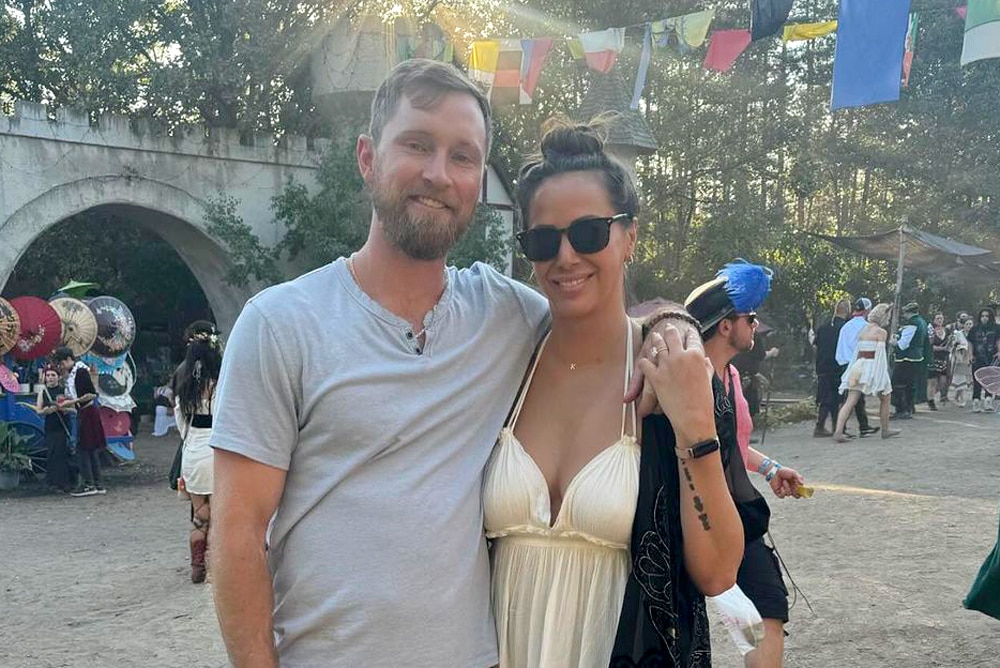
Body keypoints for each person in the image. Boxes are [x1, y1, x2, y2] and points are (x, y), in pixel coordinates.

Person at [209, 60, 688, 667]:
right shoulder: (281, 324)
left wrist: (675, 325)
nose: (438, 174)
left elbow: (600, 309)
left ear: (479, 182)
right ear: (367, 158)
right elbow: (236, 530)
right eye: (416, 145)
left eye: (463, 157)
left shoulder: (504, 315)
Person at [483, 121, 743, 667]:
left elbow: (718, 571)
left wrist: (695, 425)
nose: (566, 257)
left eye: (589, 233)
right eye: (543, 239)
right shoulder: (503, 365)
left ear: (630, 237)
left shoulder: (674, 375)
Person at [685, 261, 805, 668]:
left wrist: (771, 469)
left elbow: (736, 446)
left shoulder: (733, 377)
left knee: (767, 607)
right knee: (680, 626)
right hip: (692, 517)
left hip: (739, 515)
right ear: (725, 325)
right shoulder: (687, 377)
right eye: (750, 318)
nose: (755, 325)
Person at [174, 332, 222, 583]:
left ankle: (196, 566)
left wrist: (190, 438)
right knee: (216, 513)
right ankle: (214, 565)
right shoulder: (217, 387)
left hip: (191, 451)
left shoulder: (184, 390)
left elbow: (181, 423)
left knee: (199, 512)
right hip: (215, 450)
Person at [833, 303, 900, 441]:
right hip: (872, 366)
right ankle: (885, 430)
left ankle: (838, 431)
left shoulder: (863, 331)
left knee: (850, 401)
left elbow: (857, 352)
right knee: (886, 397)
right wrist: (882, 374)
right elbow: (880, 355)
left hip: (859, 366)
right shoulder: (881, 332)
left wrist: (851, 370)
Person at [835, 298, 879, 437]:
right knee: (851, 399)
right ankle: (841, 429)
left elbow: (840, 348)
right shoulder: (866, 327)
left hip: (845, 363)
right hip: (858, 363)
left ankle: (863, 426)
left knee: (856, 398)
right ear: (867, 310)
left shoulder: (846, 326)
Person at [35, 364, 76, 494]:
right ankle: (53, 482)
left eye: (53, 375)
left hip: (62, 426)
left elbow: (74, 408)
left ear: (58, 377)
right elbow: (39, 410)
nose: (50, 378)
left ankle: (64, 482)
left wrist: (62, 409)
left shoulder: (64, 390)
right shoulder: (43, 392)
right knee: (52, 454)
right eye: (48, 375)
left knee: (62, 454)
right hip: (50, 426)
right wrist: (46, 411)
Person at [812, 299, 851, 437]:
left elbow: (816, 345)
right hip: (838, 366)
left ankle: (821, 425)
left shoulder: (824, 327)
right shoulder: (846, 328)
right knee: (838, 398)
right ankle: (837, 426)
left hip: (823, 366)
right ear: (847, 310)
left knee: (825, 398)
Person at [890, 302, 929, 419]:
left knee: (898, 384)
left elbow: (903, 345)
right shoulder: (922, 322)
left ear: (908, 312)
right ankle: (909, 407)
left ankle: (902, 409)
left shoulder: (912, 324)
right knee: (910, 384)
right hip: (916, 358)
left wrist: (894, 342)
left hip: (906, 358)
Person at [969, 307, 998, 412]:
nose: (984, 318)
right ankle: (976, 401)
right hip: (978, 358)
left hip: (992, 358)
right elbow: (970, 342)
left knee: (990, 379)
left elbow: (998, 340)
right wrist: (970, 355)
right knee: (977, 379)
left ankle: (988, 401)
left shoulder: (996, 328)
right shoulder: (974, 329)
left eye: (987, 316)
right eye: (983, 316)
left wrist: (999, 351)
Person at [927, 313, 951, 409]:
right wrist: (941, 348)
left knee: (943, 380)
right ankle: (930, 400)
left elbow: (950, 343)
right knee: (932, 381)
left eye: (941, 318)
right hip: (933, 358)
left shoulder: (946, 330)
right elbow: (929, 346)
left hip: (944, 359)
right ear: (934, 320)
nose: (939, 320)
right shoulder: (931, 331)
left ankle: (938, 395)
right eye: (937, 318)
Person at [950, 318, 973, 407]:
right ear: (963, 325)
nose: (969, 326)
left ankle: (957, 397)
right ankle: (962, 399)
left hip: (969, 359)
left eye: (970, 324)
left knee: (966, 380)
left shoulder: (973, 334)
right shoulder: (958, 334)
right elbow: (953, 345)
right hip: (959, 359)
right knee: (960, 378)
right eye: (967, 324)